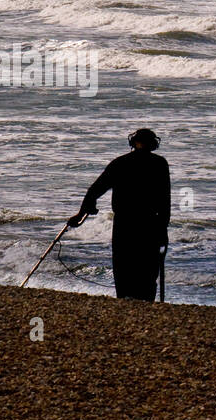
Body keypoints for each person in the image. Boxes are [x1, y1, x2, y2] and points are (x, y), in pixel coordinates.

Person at [67, 128, 170, 301]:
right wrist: (162, 229)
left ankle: (124, 301)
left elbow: (94, 190)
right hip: (149, 223)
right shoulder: (159, 164)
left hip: (124, 223)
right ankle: (146, 304)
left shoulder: (120, 163)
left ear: (133, 142)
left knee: (123, 268)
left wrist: (81, 214)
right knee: (148, 271)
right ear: (154, 144)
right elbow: (165, 201)